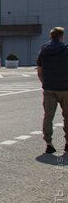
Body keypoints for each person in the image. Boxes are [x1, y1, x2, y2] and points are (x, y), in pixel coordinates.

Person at [38, 26, 68, 155]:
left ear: (51, 36)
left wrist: (45, 83)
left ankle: (49, 143)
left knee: (48, 116)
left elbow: (39, 70)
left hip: (49, 88)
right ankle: (67, 143)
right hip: (66, 89)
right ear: (62, 36)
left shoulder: (44, 51)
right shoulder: (66, 50)